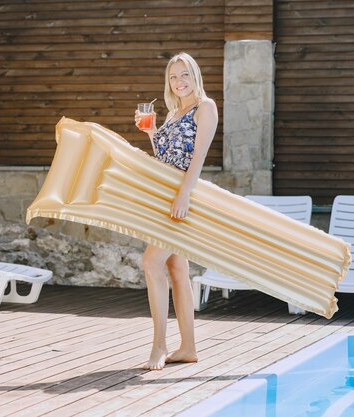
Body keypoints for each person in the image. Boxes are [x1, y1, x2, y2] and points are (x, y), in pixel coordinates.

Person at [134, 52, 218, 370]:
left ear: (194, 75)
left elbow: (197, 158)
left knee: (150, 261)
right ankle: (188, 347)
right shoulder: (172, 113)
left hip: (182, 201)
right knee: (177, 272)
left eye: (184, 75)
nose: (179, 82)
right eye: (173, 77)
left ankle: (158, 346)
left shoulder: (205, 108)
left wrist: (183, 196)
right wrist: (152, 132)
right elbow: (166, 157)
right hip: (166, 199)